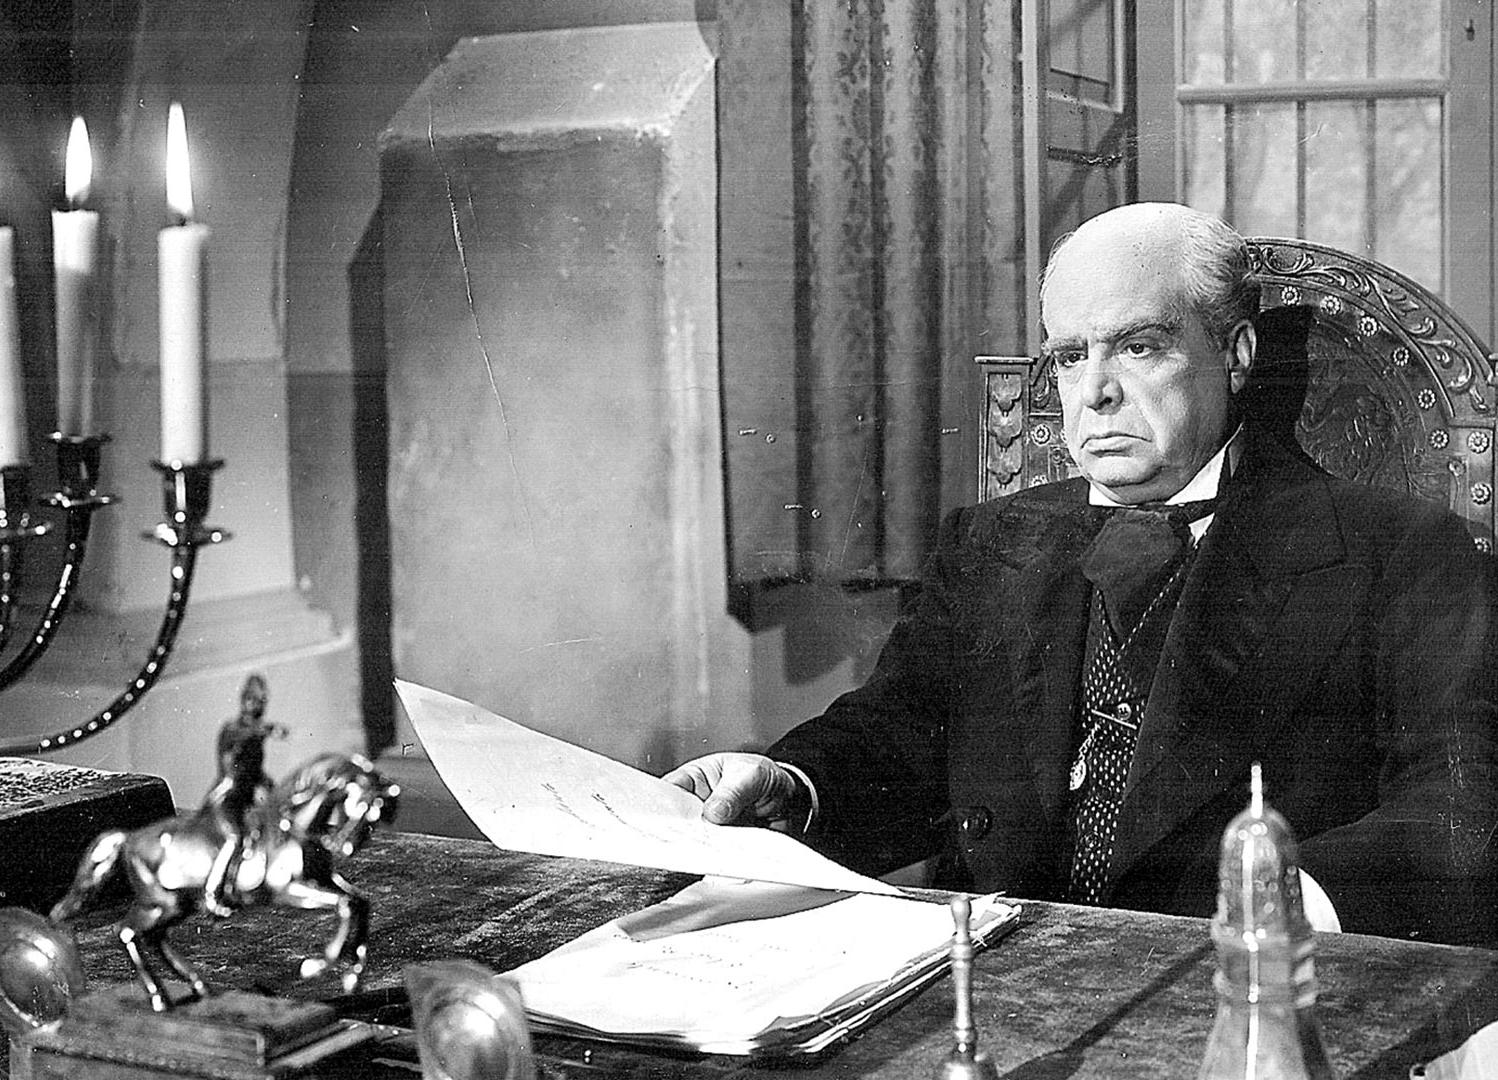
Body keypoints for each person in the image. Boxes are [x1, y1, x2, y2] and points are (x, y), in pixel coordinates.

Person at [666, 202, 1498, 947]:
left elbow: (1463, 805)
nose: (1094, 393)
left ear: (1235, 354)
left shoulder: (1400, 550)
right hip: (995, 980)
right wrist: (794, 784)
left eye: (1139, 346)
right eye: (1069, 356)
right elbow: (901, 732)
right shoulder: (991, 540)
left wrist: (1279, 910)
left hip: (1237, 980)